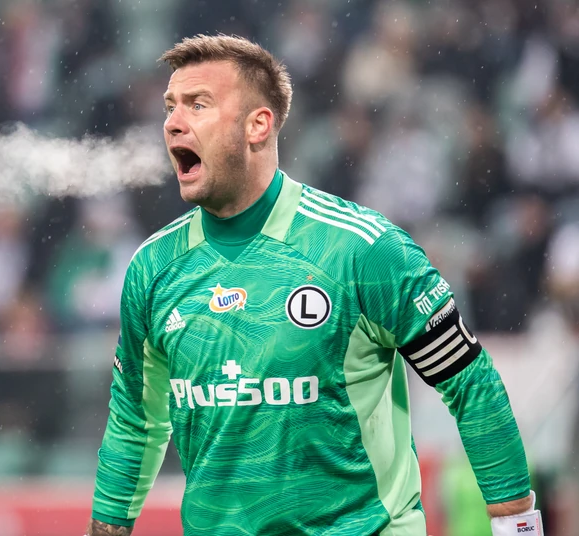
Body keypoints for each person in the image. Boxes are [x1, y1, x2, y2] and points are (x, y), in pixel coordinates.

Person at [88, 34, 543, 536]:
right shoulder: (152, 269)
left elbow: (470, 383)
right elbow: (135, 422)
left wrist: (518, 527)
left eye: (198, 104)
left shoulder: (363, 250)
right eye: (170, 106)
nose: (174, 122)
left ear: (258, 125)